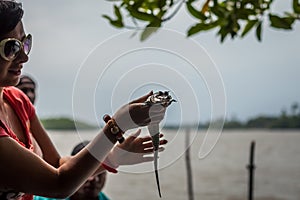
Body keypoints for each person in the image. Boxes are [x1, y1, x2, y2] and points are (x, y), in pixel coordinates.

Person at [0, 1, 167, 200]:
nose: (24, 57)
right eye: (11, 48)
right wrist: (118, 124)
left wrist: (114, 157)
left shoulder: (17, 100)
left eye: (24, 43)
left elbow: (57, 164)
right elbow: (59, 184)